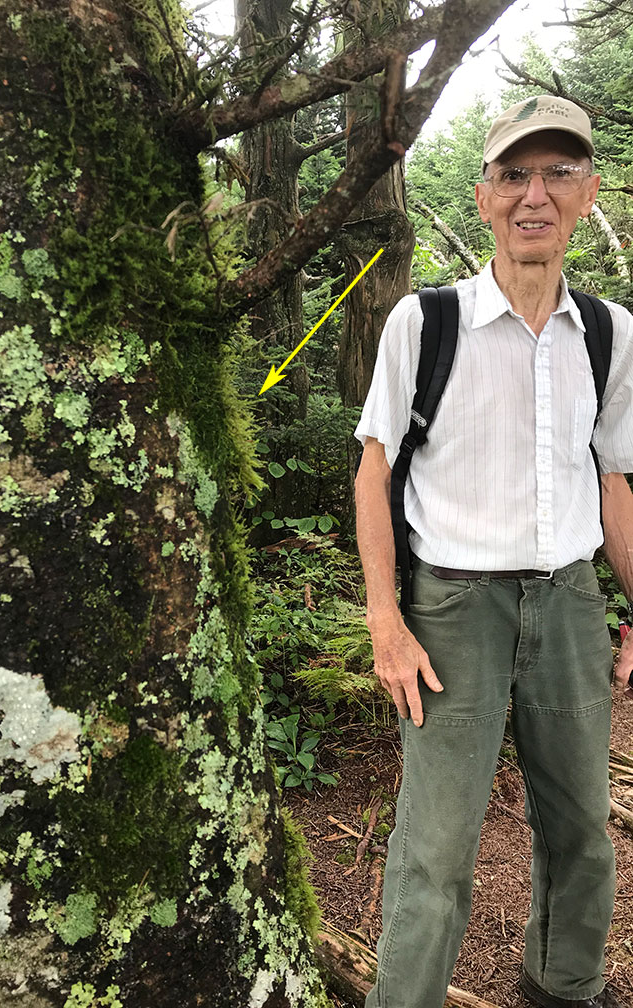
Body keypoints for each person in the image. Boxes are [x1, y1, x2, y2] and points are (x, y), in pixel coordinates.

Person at [354, 95, 633, 1008]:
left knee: (583, 832)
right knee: (436, 849)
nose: (534, 195)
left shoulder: (611, 333)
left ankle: (564, 989)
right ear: (484, 198)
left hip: (571, 605)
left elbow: (615, 483)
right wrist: (386, 621)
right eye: (514, 174)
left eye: (558, 173)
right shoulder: (425, 322)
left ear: (589, 193)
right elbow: (373, 473)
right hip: (452, 610)